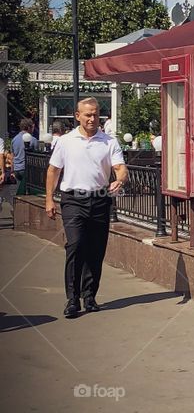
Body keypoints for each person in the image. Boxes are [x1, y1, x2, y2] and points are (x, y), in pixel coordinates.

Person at [45, 97, 128, 318]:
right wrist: (49, 199)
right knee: (75, 245)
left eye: (95, 114)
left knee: (96, 249)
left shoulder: (108, 141)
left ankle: (89, 296)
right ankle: (72, 299)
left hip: (100, 199)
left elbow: (120, 168)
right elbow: (53, 170)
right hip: (73, 199)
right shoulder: (66, 141)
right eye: (88, 114)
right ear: (77, 116)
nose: (92, 118)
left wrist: (119, 179)